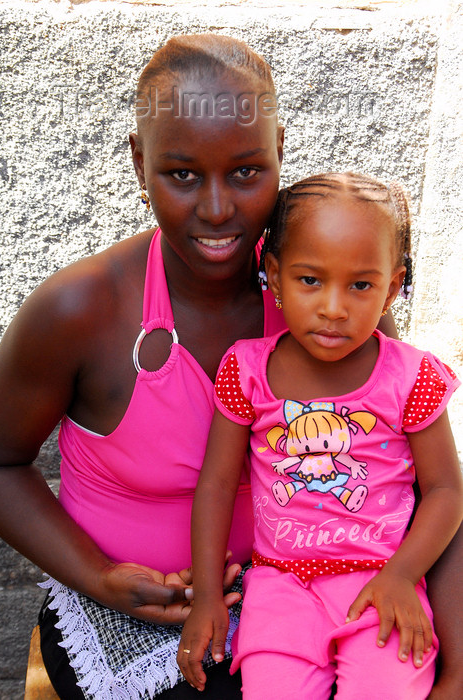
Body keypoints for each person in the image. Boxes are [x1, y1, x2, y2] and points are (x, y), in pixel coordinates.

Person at [0, 33, 459, 700]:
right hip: (134, 619)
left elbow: (421, 488)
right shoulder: (80, 310)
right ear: (138, 160)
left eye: (246, 172)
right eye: (182, 174)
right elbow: (0, 461)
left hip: (333, 599)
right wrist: (97, 576)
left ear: (278, 155)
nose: (216, 209)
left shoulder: (330, 305)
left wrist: (457, 671)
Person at [177, 173, 463, 699]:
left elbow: (446, 491)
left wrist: (403, 574)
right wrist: (207, 599)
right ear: (276, 276)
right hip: (279, 589)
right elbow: (216, 485)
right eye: (311, 280)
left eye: (360, 285)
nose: (334, 307)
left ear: (392, 288)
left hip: (382, 585)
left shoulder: (411, 377)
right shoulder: (246, 370)